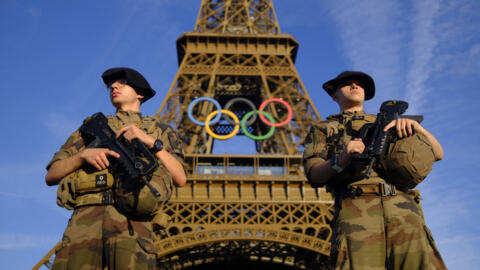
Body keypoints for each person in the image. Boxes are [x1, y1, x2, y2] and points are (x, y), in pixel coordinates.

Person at [303, 71, 447, 270]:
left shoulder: (390, 122)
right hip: (357, 212)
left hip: (403, 210)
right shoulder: (324, 128)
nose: (354, 86)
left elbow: (438, 154)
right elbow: (314, 173)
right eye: (347, 84)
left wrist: (416, 128)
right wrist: (342, 159)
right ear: (334, 95)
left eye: (359, 84)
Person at [45, 67, 187, 270]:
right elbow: (52, 175)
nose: (114, 86)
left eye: (122, 82)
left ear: (140, 93)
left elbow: (180, 178)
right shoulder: (90, 128)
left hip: (132, 221)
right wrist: (83, 156)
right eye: (111, 84)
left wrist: (151, 143)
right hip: (84, 220)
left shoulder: (160, 131)